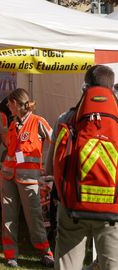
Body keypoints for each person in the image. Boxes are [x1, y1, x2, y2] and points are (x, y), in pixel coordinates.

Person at [46, 64, 118, 270]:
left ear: (84, 88)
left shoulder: (66, 119)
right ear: (112, 89)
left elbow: (51, 168)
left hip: (72, 206)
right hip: (113, 209)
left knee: (67, 265)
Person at [0, 88, 54, 268]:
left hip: (29, 179)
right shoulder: (13, 124)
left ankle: (46, 252)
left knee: (34, 217)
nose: (7, 106)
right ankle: (10, 255)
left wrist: (48, 166)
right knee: (8, 217)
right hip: (8, 176)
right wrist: (1, 174)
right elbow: (10, 152)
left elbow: (57, 142)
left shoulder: (38, 122)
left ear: (15, 103)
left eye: (9, 103)